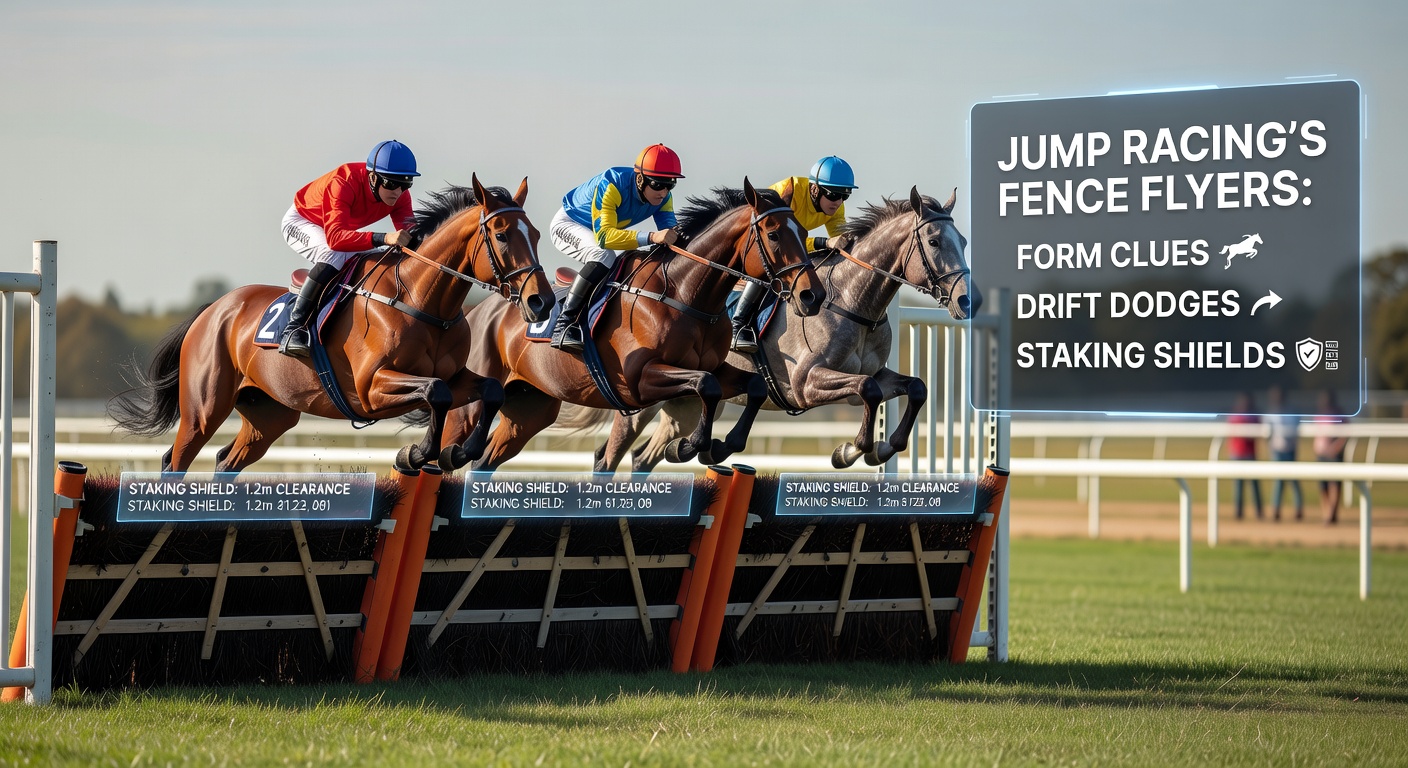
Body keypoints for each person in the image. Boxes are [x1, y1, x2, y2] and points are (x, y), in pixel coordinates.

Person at [278, 140, 420, 357]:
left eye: (405, 184)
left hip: (337, 229)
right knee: (332, 252)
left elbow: (411, 239)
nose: (398, 191)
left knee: (379, 257)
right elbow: (335, 239)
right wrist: (384, 237)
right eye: (391, 184)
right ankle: (293, 328)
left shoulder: (400, 196)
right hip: (302, 222)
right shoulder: (343, 182)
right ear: (372, 176)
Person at [549, 144, 684, 352]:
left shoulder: (663, 197)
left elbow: (672, 234)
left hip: (598, 231)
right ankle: (563, 325)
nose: (664, 192)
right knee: (603, 254)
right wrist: (651, 237)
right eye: (658, 184)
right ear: (640, 179)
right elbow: (604, 237)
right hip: (569, 224)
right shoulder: (612, 184)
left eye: (670, 185)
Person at [727, 157, 859, 353]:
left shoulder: (835, 208)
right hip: (755, 242)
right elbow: (784, 242)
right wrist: (822, 242)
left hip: (782, 245)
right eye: (833, 195)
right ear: (814, 188)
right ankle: (737, 325)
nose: (838, 202)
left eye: (844, 196)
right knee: (770, 264)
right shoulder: (787, 192)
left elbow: (841, 243)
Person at [1266, 384, 1303, 521]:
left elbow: (1296, 429)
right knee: (1278, 482)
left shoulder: (1291, 411)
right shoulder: (1270, 413)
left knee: (1293, 480)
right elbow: (1268, 433)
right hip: (1277, 450)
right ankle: (1276, 510)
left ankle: (1299, 509)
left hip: (1290, 450)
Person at [1313, 389, 1348, 524]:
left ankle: (1333, 512)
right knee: (1323, 485)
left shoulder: (1339, 413)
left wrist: (1336, 447)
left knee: (1335, 484)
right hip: (1321, 453)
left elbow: (1345, 432)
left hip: (1335, 453)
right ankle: (1326, 512)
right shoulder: (1319, 414)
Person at [1227, 391, 1263, 521]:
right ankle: (1238, 512)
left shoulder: (1254, 415)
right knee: (1238, 485)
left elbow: (1258, 431)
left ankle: (1259, 512)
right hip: (1238, 453)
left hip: (1250, 453)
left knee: (1254, 485)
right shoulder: (1236, 414)